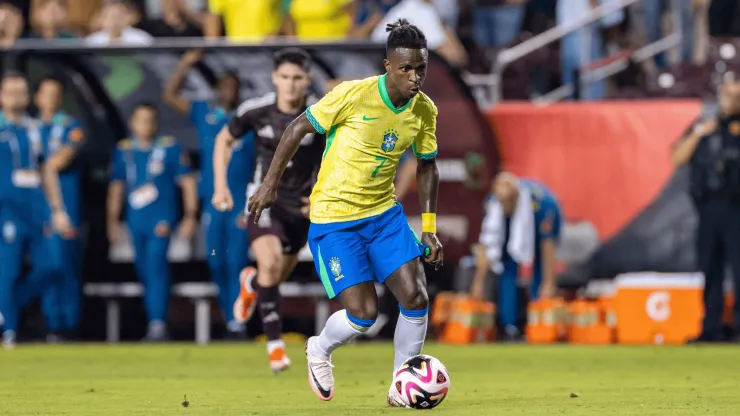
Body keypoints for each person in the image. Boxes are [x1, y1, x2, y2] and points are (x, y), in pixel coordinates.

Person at [244, 20, 443, 405]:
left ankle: (401, 387)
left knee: (416, 299)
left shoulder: (424, 110)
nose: (414, 77)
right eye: (406, 69)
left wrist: (429, 227)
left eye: (421, 68)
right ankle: (319, 347)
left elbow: (426, 164)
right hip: (335, 220)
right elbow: (297, 128)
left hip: (384, 215)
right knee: (363, 316)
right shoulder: (353, 95)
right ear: (388, 66)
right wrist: (270, 183)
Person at [212, 48, 321, 372]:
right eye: (284, 77)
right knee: (270, 264)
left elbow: (337, 155)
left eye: (297, 78)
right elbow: (224, 140)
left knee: (273, 276)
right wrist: (220, 186)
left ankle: (252, 284)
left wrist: (321, 194)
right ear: (275, 78)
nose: (290, 84)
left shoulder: (321, 113)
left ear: (307, 80)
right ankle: (275, 346)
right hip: (262, 200)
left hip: (301, 208)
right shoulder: (256, 110)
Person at [162, 49, 253, 339]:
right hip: (212, 201)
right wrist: (185, 64)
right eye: (224, 86)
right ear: (216, 89)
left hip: (240, 201)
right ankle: (228, 317)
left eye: (234, 87)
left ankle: (238, 321)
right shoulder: (204, 113)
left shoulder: (248, 120)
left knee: (237, 261)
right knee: (216, 260)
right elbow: (169, 95)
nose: (229, 91)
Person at [107, 102, 198, 342]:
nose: (145, 125)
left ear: (156, 123)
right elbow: (116, 186)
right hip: (135, 220)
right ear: (132, 123)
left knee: (156, 266)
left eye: (150, 120)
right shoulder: (124, 150)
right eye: (141, 120)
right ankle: (152, 320)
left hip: (162, 218)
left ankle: (157, 322)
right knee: (144, 270)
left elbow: (187, 182)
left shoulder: (170, 148)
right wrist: (112, 220)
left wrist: (190, 215)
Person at [0, 71, 69, 349]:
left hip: (37, 210)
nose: (17, 97)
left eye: (21, 91)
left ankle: (9, 306)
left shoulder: (35, 128)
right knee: (8, 271)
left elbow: (47, 170)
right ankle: (10, 330)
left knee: (53, 265)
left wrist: (58, 208)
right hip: (7, 211)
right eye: (11, 91)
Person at [672, 81, 740, 343]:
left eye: (737, 96)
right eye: (729, 95)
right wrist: (700, 132)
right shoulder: (704, 125)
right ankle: (710, 328)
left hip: (737, 208)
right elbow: (677, 158)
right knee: (710, 270)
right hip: (709, 208)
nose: (732, 101)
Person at [470, 173, 562, 341]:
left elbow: (547, 246)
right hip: (512, 229)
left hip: (538, 225)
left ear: (515, 197)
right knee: (507, 268)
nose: (503, 206)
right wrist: (479, 283)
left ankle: (538, 325)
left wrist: (549, 283)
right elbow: (487, 242)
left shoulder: (542, 204)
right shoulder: (493, 203)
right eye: (501, 202)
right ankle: (509, 326)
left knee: (540, 276)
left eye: (507, 202)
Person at [34, 76, 85, 342]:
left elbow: (57, 162)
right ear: (37, 97)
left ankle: (69, 324)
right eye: (46, 93)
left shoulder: (71, 126)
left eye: (56, 93)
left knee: (64, 264)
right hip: (32, 209)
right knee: (44, 266)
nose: (51, 98)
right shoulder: (29, 127)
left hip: (65, 207)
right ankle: (50, 322)